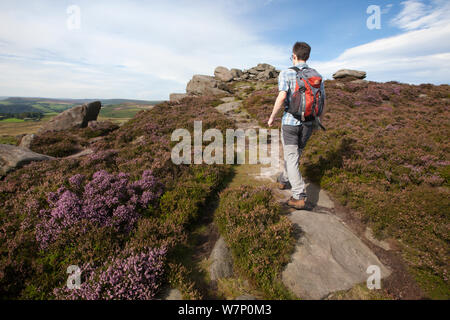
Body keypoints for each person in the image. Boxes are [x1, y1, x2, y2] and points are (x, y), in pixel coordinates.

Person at [268, 41, 325, 210]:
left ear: (294, 55)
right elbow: (323, 101)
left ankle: (299, 195)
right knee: (294, 156)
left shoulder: (286, 73)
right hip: (309, 123)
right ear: (307, 56)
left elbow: (281, 97)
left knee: (292, 157)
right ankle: (284, 180)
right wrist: (318, 119)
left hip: (290, 122)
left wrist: (272, 117)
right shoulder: (317, 75)